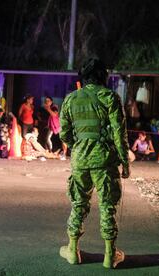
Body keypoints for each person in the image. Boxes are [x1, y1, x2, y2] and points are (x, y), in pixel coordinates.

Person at [59, 58, 130, 269]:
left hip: (80, 160)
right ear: (103, 76)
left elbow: (64, 133)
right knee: (108, 206)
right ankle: (109, 255)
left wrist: (79, 146)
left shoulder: (71, 99)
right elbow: (119, 132)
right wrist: (125, 162)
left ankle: (73, 251)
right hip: (105, 160)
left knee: (79, 203)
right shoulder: (110, 97)